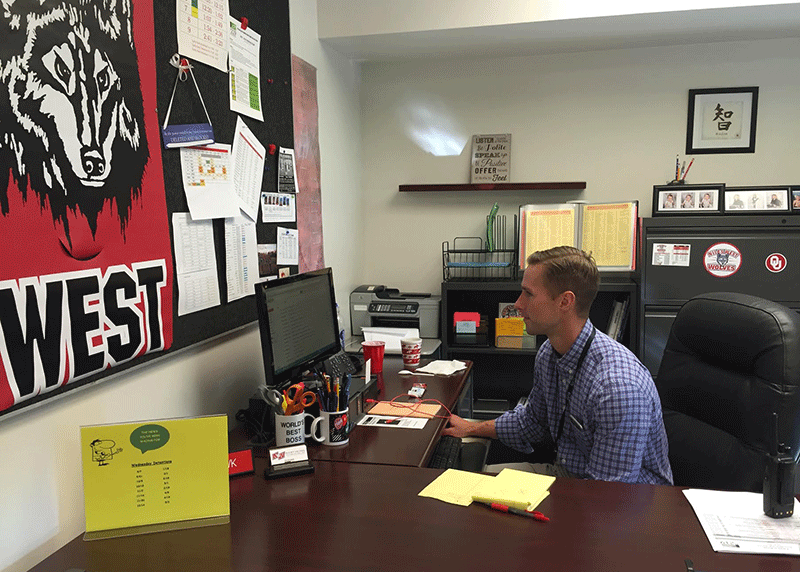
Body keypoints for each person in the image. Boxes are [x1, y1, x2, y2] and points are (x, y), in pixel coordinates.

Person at [444, 246, 673, 485]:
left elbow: (607, 497)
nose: (518, 305)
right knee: (464, 485)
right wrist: (470, 429)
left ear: (565, 301)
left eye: (528, 294)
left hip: (623, 505)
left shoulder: (617, 388)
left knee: (476, 510)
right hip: (571, 477)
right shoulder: (550, 354)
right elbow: (531, 423)